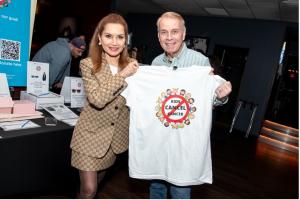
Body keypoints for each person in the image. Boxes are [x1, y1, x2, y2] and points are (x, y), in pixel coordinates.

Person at [150, 11, 232, 199]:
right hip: (159, 139)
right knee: (156, 188)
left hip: (185, 141)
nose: (169, 37)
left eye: (174, 31)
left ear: (184, 34)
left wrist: (220, 96)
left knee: (180, 191)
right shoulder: (155, 63)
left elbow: (208, 100)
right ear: (158, 36)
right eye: (164, 32)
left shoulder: (200, 62)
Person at [69, 13, 139, 199]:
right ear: (99, 38)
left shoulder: (134, 65)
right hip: (89, 137)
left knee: (95, 184)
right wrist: (123, 75)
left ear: (126, 40)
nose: (114, 42)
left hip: (114, 140)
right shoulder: (88, 64)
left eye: (120, 37)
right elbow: (97, 99)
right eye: (108, 36)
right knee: (89, 189)